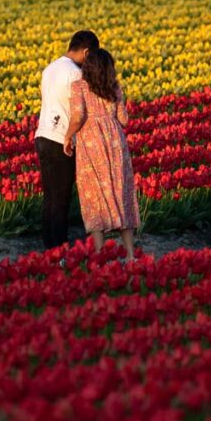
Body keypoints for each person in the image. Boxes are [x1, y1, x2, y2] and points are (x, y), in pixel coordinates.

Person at [63, 48, 140, 262]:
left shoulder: (78, 87)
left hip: (91, 143)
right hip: (116, 142)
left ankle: (99, 255)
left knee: (93, 195)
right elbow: (123, 119)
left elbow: (78, 117)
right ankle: (130, 255)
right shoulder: (114, 87)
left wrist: (68, 137)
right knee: (121, 192)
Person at [33, 30, 99, 249]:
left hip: (43, 134)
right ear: (87, 52)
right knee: (61, 199)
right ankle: (59, 249)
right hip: (62, 139)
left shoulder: (50, 68)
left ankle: (48, 248)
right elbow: (79, 112)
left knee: (50, 197)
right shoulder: (75, 74)